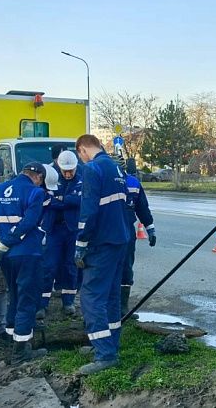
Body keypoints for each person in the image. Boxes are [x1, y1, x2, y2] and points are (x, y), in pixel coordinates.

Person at [73, 134, 130, 375]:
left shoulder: (92, 169)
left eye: (79, 156)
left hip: (101, 243)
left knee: (91, 297)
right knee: (110, 297)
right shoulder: (116, 168)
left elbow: (89, 210)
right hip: (120, 240)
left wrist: (81, 243)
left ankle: (104, 354)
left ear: (82, 150)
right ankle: (109, 344)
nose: (81, 160)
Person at [0, 162, 49, 363]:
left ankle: (12, 336)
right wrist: (4, 242)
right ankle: (21, 351)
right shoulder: (35, 193)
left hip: (5, 255)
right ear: (38, 177)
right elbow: (28, 223)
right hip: (27, 253)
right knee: (27, 298)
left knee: (13, 294)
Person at [37, 152, 82, 318]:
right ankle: (42, 304)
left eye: (71, 170)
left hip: (72, 229)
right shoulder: (51, 175)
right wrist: (65, 200)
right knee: (49, 266)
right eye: (65, 171)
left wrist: (59, 199)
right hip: (53, 228)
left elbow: (80, 200)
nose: (68, 174)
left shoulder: (83, 178)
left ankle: (68, 302)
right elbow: (45, 200)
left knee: (71, 266)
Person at [120, 157, 156, 318]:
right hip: (106, 232)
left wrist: (150, 229)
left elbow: (142, 207)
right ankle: (109, 307)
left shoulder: (133, 183)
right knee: (108, 269)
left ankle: (122, 307)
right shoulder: (101, 182)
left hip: (127, 231)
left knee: (126, 269)